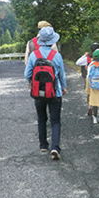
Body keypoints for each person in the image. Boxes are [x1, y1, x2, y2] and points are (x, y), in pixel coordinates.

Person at [24, 26, 67, 160]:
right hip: (54, 92)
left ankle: (43, 144)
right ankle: (55, 147)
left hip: (38, 92)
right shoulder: (57, 55)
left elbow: (27, 74)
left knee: (41, 118)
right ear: (52, 41)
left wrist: (32, 82)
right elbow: (62, 76)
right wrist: (63, 87)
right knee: (55, 121)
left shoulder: (33, 55)